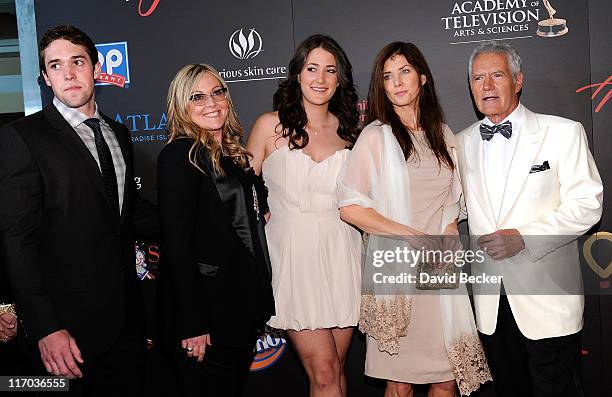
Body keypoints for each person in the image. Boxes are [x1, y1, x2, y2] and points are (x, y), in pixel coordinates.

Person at [0, 25, 158, 396]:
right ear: (45, 78)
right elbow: (17, 241)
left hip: (126, 326)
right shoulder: (23, 137)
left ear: (96, 68)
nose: (68, 73)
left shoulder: (119, 134)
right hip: (64, 333)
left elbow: (125, 215)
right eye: (55, 66)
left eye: (77, 61)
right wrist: (46, 327)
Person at [338, 42, 491, 397]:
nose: (397, 82)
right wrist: (412, 236)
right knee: (400, 382)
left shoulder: (444, 135)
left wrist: (450, 232)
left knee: (446, 379)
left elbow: (452, 205)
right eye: (387, 76)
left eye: (404, 71)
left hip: (439, 273)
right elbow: (351, 207)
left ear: (422, 78)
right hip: (396, 272)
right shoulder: (375, 136)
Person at [456, 41, 603, 397]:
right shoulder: (459, 144)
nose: (487, 86)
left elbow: (587, 204)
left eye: (496, 75)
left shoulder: (563, 132)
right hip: (490, 305)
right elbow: (453, 207)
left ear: (518, 80)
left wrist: (525, 236)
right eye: (478, 78)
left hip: (548, 299)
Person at [247, 34, 361, 397]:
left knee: (336, 373)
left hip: (342, 253)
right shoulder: (269, 126)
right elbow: (238, 189)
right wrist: (260, 215)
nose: (320, 78)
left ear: (340, 79)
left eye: (331, 70)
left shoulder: (351, 133)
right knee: (325, 372)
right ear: (297, 73)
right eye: (312, 68)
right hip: (293, 258)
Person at [157, 63, 275, 397]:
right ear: (182, 106)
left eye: (217, 92)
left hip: (239, 308)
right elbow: (176, 246)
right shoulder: (180, 156)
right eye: (197, 97)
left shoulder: (231, 155)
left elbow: (256, 205)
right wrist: (193, 324)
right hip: (207, 317)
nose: (211, 103)